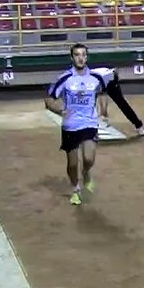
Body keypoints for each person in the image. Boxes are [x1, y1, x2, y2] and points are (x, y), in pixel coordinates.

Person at [45, 43, 108, 206]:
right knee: (72, 163)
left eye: (83, 55)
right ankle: (75, 189)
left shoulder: (96, 78)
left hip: (89, 123)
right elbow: (49, 99)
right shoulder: (65, 78)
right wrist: (59, 110)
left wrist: (104, 111)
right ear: (72, 57)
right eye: (77, 55)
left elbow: (102, 94)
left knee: (88, 158)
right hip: (70, 126)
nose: (80, 58)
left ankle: (86, 173)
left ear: (87, 57)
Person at [90, 65, 144, 137]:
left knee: (122, 104)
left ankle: (139, 126)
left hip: (111, 82)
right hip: (102, 81)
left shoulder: (92, 80)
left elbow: (100, 95)